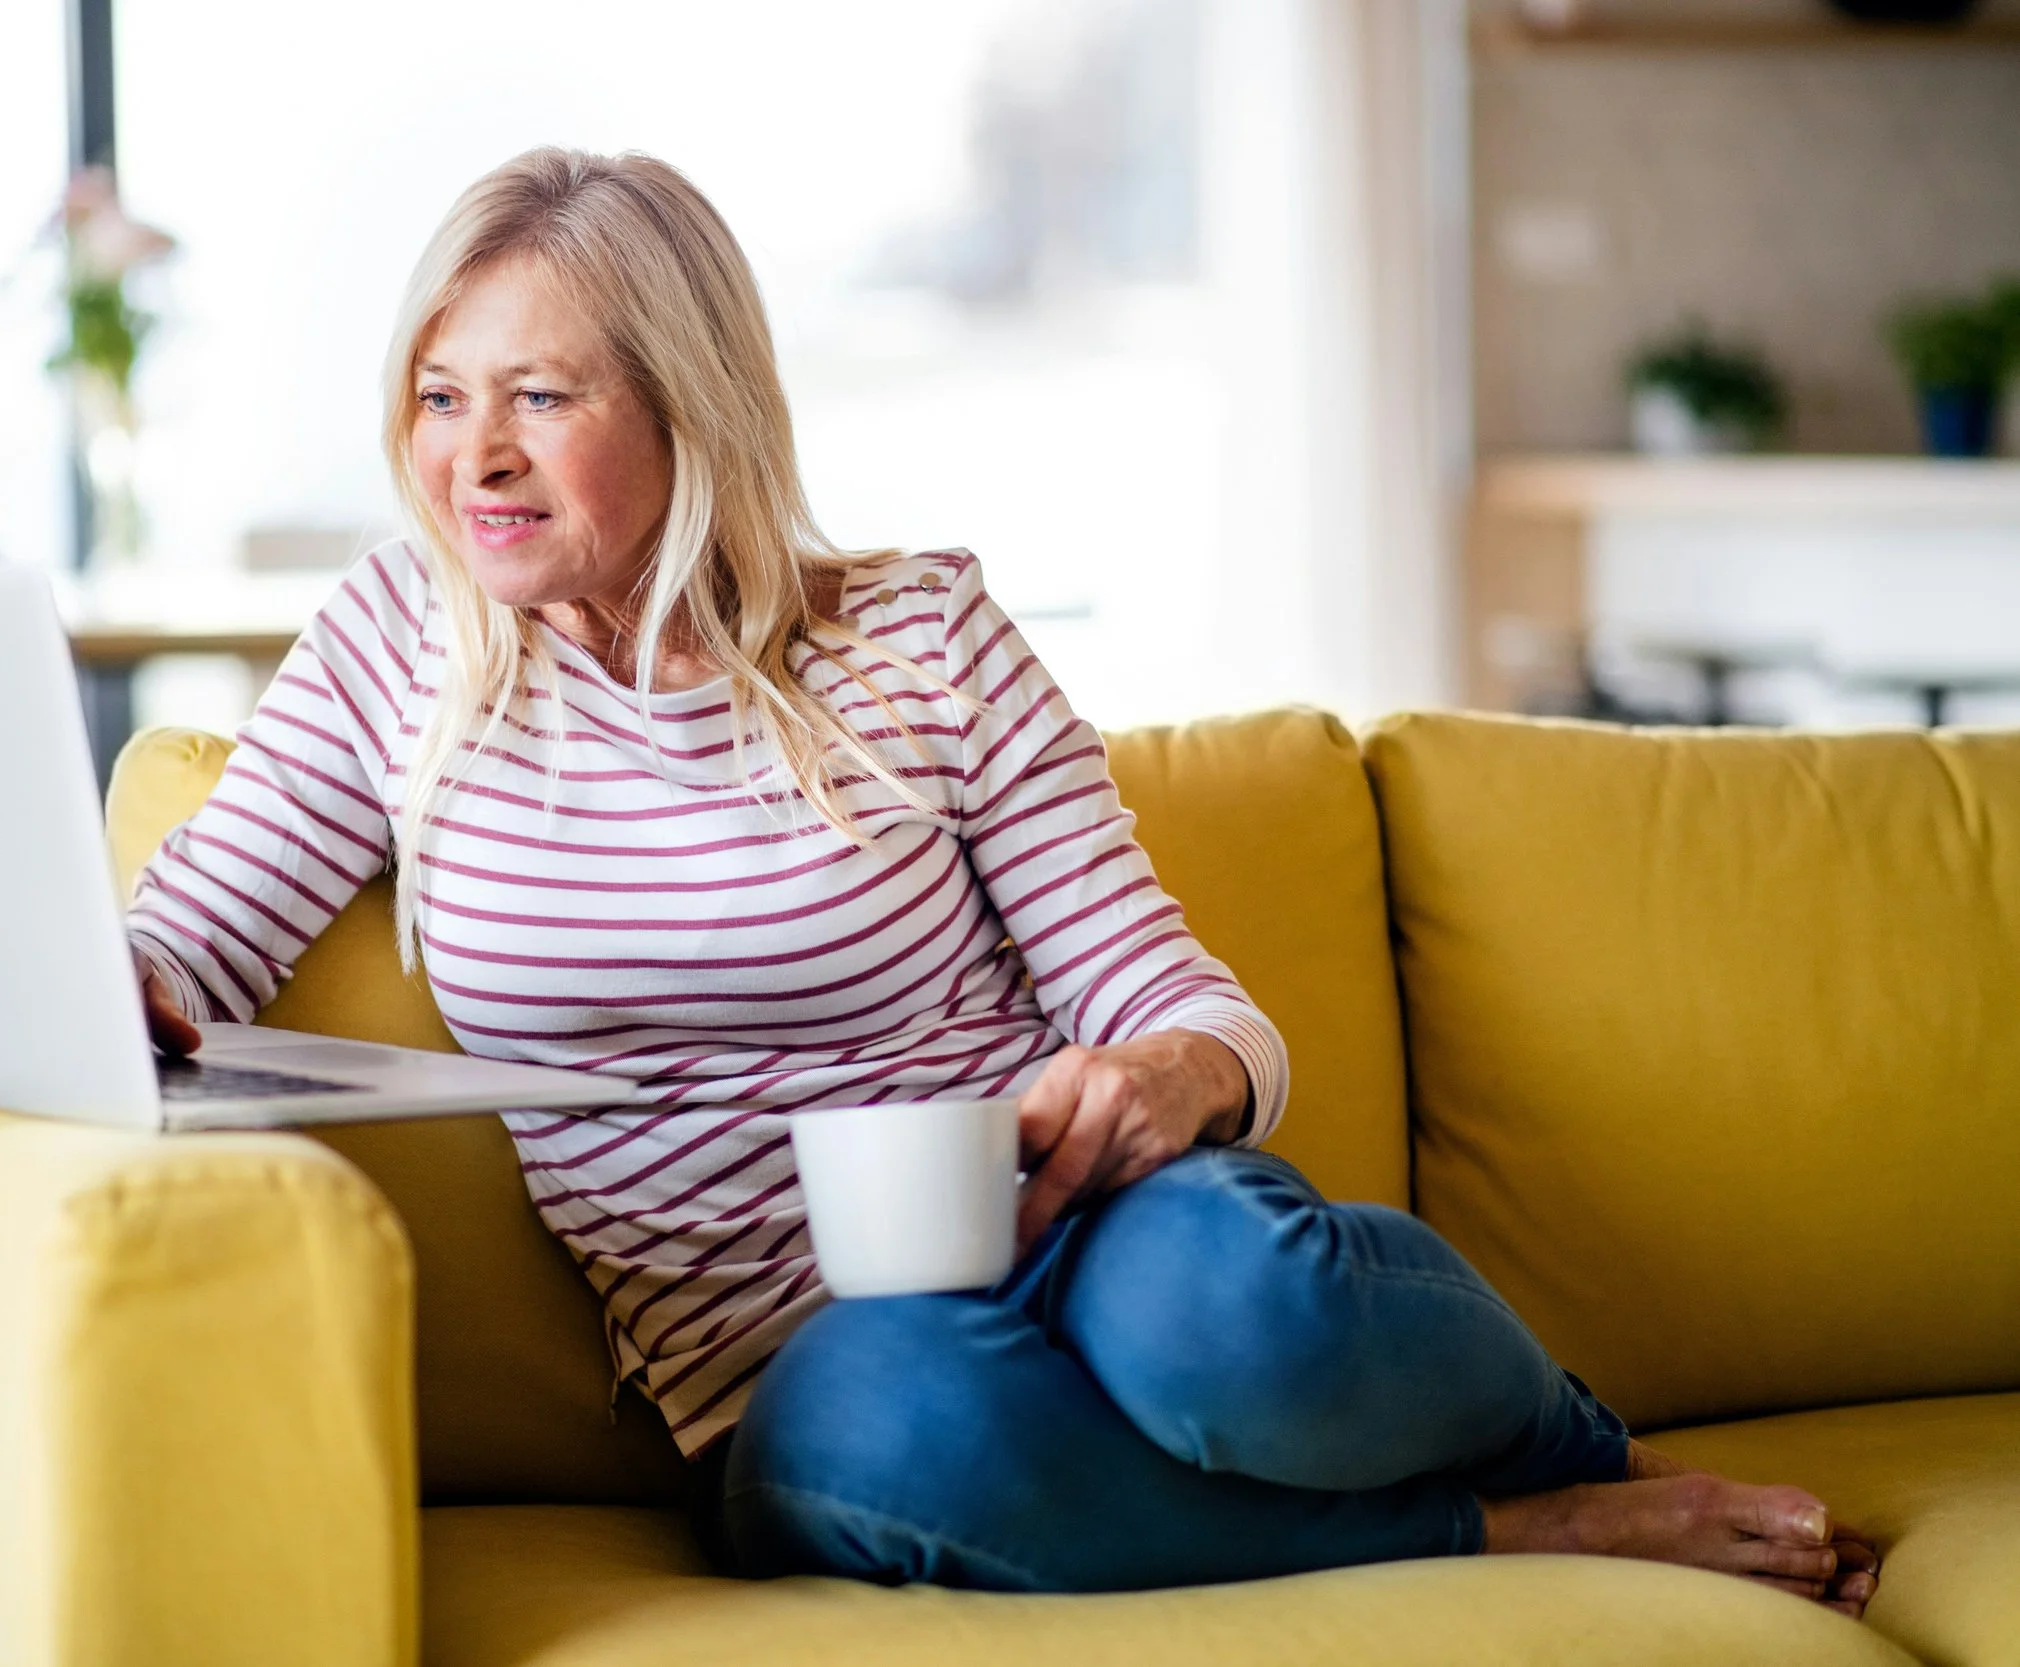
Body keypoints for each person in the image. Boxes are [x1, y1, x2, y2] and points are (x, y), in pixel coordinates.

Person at [124, 147, 1878, 1615]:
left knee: (1250, 1309)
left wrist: (1174, 1073)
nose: (473, 454)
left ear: (688, 405)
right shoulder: (396, 651)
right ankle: (1519, 1528)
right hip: (786, 1359)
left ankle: (1582, 1445)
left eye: (539, 396)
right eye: (441, 395)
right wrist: (102, 985)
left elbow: (1180, 1000)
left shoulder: (919, 635)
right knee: (903, 1453)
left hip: (1075, 1231)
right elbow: (189, 928)